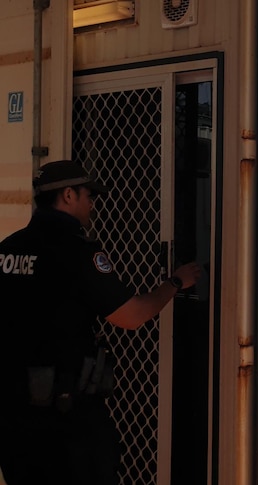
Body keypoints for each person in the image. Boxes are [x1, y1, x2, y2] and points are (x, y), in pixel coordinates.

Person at [0, 160, 201, 485]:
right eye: (88, 195)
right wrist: (175, 283)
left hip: (12, 419)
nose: (93, 203)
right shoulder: (76, 252)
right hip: (64, 423)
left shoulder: (7, 249)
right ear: (68, 195)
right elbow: (132, 315)